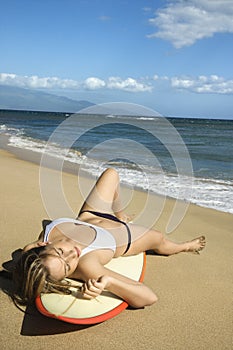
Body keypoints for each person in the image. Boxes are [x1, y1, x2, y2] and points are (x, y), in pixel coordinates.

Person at [11, 168, 206, 309]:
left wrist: (28, 249)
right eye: (68, 266)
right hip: (125, 236)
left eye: (60, 252)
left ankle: (120, 213)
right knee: (161, 240)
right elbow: (149, 297)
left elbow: (23, 260)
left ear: (44, 245)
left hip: (92, 214)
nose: (72, 255)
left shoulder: (41, 243)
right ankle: (184, 246)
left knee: (111, 174)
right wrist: (109, 283)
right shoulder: (87, 265)